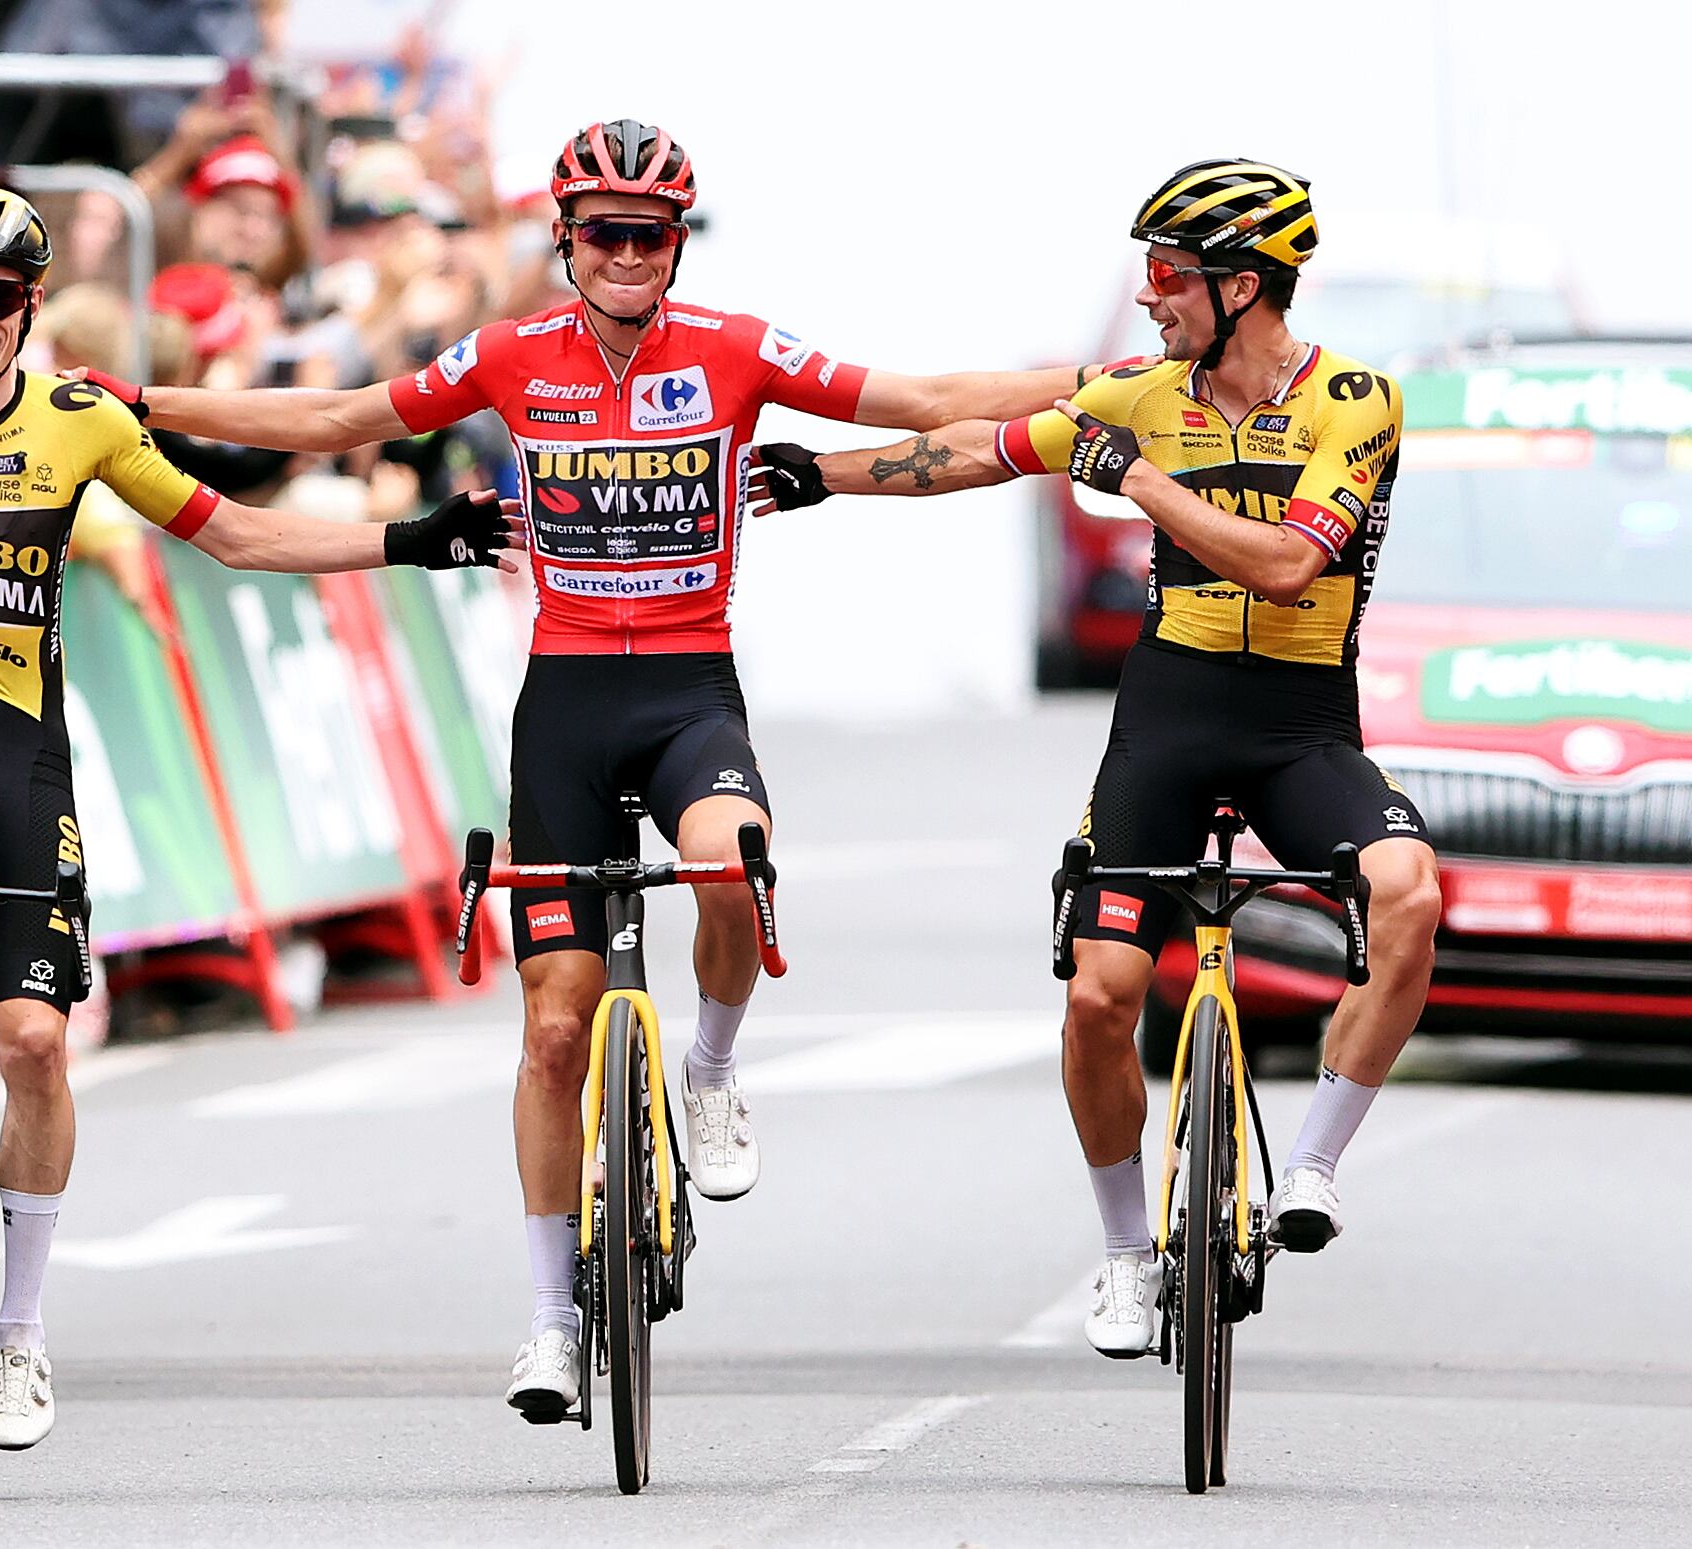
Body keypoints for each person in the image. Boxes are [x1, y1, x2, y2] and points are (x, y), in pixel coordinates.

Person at [65, 119, 1120, 1421]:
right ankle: (552, 1319)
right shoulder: (512, 357)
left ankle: (717, 1071)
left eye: (653, 234)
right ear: (565, 242)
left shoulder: (734, 349)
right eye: (606, 233)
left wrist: (1104, 381)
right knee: (556, 1024)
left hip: (687, 693)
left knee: (731, 867)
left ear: (678, 243)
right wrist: (146, 404)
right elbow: (339, 414)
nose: (630, 255)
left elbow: (918, 402)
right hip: (563, 703)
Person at [0, 185, 520, 1452]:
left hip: (18, 764)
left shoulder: (76, 423)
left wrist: (408, 538)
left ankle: (20, 1336)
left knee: (32, 1045)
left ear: (26, 308)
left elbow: (228, 533)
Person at [747, 159, 1442, 1358]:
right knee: (1097, 999)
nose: (1148, 296)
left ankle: (1313, 1168)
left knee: (1409, 895)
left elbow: (1285, 564)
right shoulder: (1138, 390)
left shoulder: (1356, 399)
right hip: (1165, 721)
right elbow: (983, 447)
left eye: (1167, 274)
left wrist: (1143, 486)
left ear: (1243, 284)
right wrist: (820, 476)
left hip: (1301, 727)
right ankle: (1125, 1250)